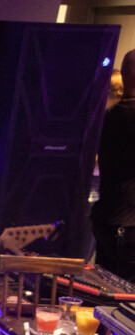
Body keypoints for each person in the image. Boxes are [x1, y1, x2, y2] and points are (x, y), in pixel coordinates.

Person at [92, 50, 135, 284]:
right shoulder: (127, 117)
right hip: (126, 229)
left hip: (112, 221)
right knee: (121, 298)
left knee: (107, 294)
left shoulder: (109, 117)